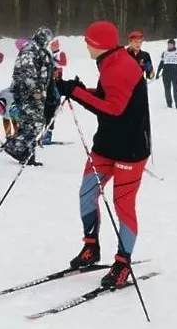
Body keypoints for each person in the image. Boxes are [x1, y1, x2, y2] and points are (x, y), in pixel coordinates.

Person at [55, 20, 151, 289]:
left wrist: (76, 93)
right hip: (107, 144)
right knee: (87, 195)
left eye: (88, 41)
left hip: (131, 150)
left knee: (122, 206)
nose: (85, 44)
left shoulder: (120, 66)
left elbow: (113, 109)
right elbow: (106, 96)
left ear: (99, 45)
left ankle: (122, 262)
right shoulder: (110, 61)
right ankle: (91, 247)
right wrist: (77, 91)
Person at [3, 26, 54, 166]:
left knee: (30, 124)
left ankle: (28, 154)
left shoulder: (39, 50)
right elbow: (27, 72)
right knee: (34, 124)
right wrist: (35, 91)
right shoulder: (30, 49)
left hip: (35, 93)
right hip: (29, 94)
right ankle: (14, 147)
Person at [156, 38, 177, 109]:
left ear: (173, 45)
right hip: (166, 74)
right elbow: (161, 63)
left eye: (170, 44)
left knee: (176, 89)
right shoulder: (165, 52)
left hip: (175, 74)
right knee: (167, 89)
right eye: (168, 44)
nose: (169, 46)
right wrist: (158, 73)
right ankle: (169, 104)